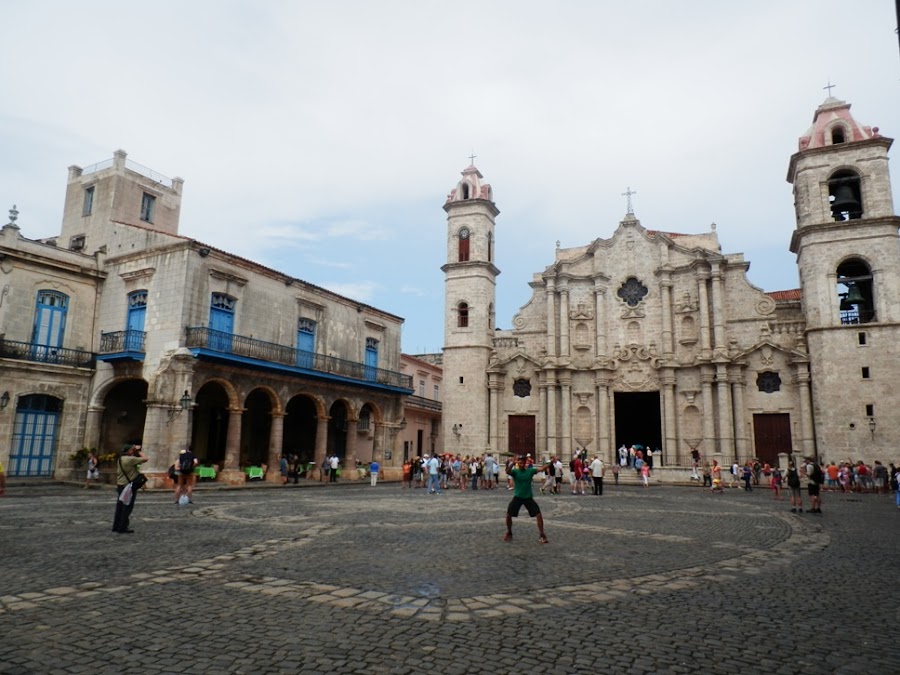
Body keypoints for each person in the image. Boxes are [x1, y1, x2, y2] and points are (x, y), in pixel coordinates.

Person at [504, 454, 551, 544]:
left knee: (538, 514)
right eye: (520, 463)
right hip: (517, 497)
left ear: (525, 463)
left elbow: (541, 469)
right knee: (509, 515)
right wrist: (512, 463)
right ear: (518, 463)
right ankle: (509, 532)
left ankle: (542, 534)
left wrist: (549, 464)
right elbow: (507, 472)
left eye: (523, 463)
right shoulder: (515, 471)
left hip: (528, 497)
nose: (521, 464)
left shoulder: (530, 471)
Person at [112, 444, 147, 534]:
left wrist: (133, 450)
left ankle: (116, 526)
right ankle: (123, 527)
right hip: (128, 486)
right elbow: (145, 458)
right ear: (129, 451)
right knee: (127, 506)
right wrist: (138, 451)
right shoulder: (130, 459)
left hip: (121, 485)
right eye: (132, 450)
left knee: (120, 506)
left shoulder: (120, 459)